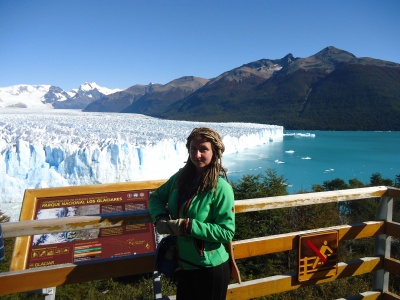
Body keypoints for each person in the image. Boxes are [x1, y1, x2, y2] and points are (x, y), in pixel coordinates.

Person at [149, 127, 236, 300]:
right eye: (193, 149)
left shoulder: (221, 188)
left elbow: (227, 231)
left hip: (210, 268)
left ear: (214, 152)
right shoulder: (180, 177)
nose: (197, 155)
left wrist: (188, 226)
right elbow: (156, 198)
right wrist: (160, 217)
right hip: (184, 265)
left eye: (203, 149)